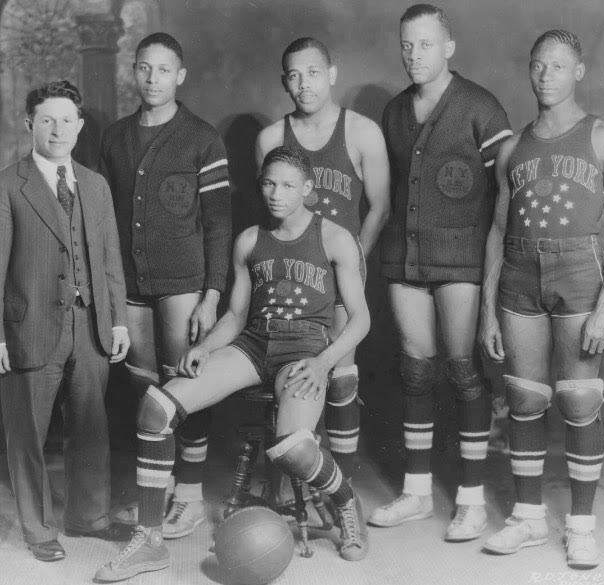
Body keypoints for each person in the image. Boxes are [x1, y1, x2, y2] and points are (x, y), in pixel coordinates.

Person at [94, 146, 371, 582]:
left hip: (304, 351)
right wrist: (206, 345)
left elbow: (360, 319)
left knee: (294, 448)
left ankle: (345, 501)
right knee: (155, 409)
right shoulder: (248, 240)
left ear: (308, 190)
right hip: (253, 345)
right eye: (268, 184)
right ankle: (149, 542)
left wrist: (323, 363)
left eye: (287, 186)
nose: (276, 194)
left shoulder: (334, 238)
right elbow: (237, 317)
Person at [479, 30, 604, 569]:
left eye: (559, 66)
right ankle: (526, 518)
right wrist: (487, 312)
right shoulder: (510, 149)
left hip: (580, 272)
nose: (546, 76)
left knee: (578, 398)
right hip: (519, 273)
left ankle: (582, 527)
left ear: (579, 71)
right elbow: (497, 232)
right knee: (524, 397)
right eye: (538, 66)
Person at [0, 80, 131, 561]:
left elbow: (108, 260)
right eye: (46, 120)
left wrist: (117, 321)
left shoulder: (95, 186)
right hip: (28, 330)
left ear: (80, 126)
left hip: (91, 328)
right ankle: (39, 531)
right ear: (29, 125)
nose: (57, 129)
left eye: (66, 120)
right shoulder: (4, 186)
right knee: (28, 435)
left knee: (91, 426)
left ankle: (89, 517)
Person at [370, 3, 512, 542]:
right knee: (415, 368)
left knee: (459, 367)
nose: (414, 55)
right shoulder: (392, 112)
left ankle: (472, 500)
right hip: (404, 258)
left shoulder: (480, 106)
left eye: (426, 44)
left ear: (448, 48)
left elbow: (508, 194)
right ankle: (416, 490)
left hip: (463, 261)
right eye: (407, 45)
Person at [100, 32, 232, 539]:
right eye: (144, 68)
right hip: (131, 280)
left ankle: (191, 495)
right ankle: (158, 486)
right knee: (143, 384)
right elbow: (105, 216)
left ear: (180, 76)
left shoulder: (202, 137)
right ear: (134, 72)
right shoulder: (113, 137)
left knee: (184, 383)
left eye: (163, 69)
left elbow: (219, 224)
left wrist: (212, 293)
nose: (152, 78)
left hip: (185, 281)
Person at [255, 37, 390, 476]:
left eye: (313, 72)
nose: (303, 84)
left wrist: (356, 259)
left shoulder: (362, 131)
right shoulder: (271, 137)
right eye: (293, 75)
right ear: (284, 81)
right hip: (295, 277)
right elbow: (274, 215)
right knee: (297, 378)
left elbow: (380, 207)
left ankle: (342, 485)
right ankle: (307, 473)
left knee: (341, 375)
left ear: (331, 74)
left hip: (343, 271)